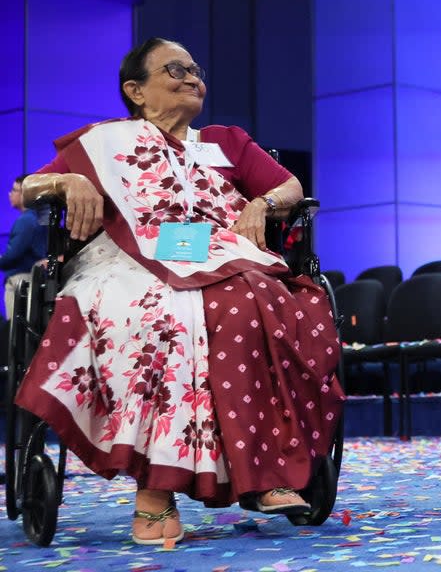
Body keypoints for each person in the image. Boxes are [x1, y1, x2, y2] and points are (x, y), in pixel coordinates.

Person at [16, 38, 345, 544]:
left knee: (256, 299)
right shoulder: (106, 141)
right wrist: (66, 184)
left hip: (225, 257)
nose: (193, 77)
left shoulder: (227, 141)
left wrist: (261, 204)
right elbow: (24, 190)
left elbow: (291, 187)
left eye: (196, 69)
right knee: (155, 312)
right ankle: (156, 489)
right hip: (126, 261)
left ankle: (261, 471)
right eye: (175, 69)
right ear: (137, 91)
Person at [1, 174, 49, 318]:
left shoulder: (26, 221)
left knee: (17, 334)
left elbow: (13, 256)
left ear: (25, 194)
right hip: (33, 280)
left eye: (14, 190)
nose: (10, 194)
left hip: (21, 281)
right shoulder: (41, 218)